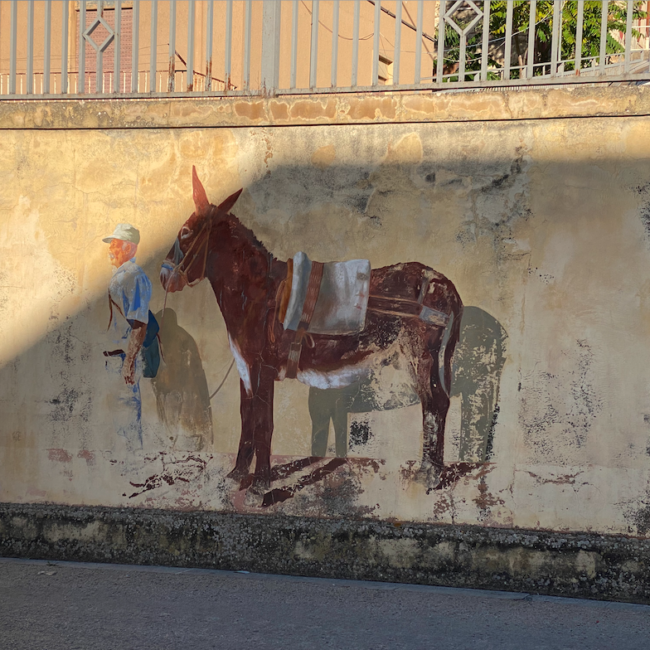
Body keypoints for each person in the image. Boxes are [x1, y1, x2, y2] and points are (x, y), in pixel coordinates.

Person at [103, 223, 152, 450]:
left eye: (115, 244)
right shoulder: (122, 275)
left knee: (126, 416)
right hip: (112, 358)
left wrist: (129, 362)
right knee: (114, 419)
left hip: (123, 359)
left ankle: (132, 469)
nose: (110, 249)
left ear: (129, 248)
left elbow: (139, 323)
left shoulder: (133, 276)